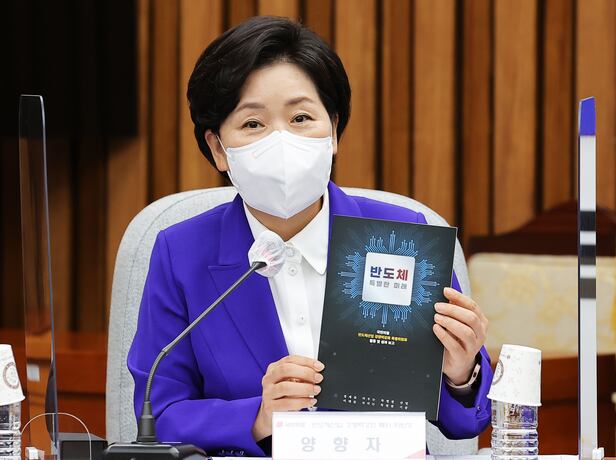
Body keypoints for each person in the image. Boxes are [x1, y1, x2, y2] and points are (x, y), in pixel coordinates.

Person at [128, 16, 492, 457]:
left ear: (333, 130)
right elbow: (160, 414)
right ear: (218, 148)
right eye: (253, 124)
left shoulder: (402, 238)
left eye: (301, 117)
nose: (281, 140)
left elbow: (465, 422)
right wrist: (259, 415)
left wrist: (460, 372)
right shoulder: (181, 252)